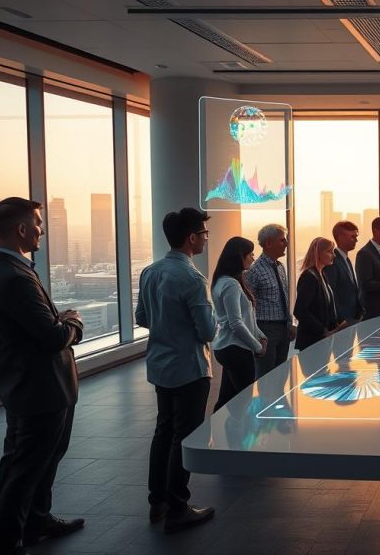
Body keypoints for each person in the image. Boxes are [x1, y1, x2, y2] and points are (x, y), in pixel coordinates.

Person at [0, 197, 85, 554]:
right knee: (25, 469)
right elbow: (52, 336)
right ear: (21, 229)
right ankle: (9, 540)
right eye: (37, 223)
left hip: (27, 386)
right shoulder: (15, 276)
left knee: (31, 462)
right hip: (41, 390)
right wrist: (73, 321)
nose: (41, 229)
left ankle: (36, 521)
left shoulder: (8, 269)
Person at [135, 207, 217, 533]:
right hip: (190, 367)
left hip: (160, 365)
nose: (206, 240)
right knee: (184, 436)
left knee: (163, 431)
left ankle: (158, 502)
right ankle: (179, 507)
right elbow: (207, 332)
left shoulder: (149, 272)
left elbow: (142, 318)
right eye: (205, 235)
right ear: (191, 238)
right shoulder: (193, 278)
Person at [210, 237, 266, 412]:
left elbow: (246, 318)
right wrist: (257, 346)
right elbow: (236, 323)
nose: (253, 258)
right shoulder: (231, 284)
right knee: (245, 400)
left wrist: (260, 335)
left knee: (228, 398)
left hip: (228, 347)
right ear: (239, 257)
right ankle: (237, 435)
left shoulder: (225, 281)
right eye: (250, 254)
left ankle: (216, 434)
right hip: (236, 349)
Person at [246, 224, 295, 379]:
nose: (286, 243)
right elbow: (248, 305)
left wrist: (290, 322)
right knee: (265, 377)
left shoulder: (280, 267)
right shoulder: (255, 271)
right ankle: (264, 403)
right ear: (268, 243)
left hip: (283, 328)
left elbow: (284, 297)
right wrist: (255, 333)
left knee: (281, 375)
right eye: (282, 240)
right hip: (265, 328)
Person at [293, 237, 339, 351]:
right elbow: (300, 310)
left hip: (323, 339)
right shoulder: (310, 276)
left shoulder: (321, 274)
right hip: (312, 340)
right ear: (318, 253)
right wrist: (322, 330)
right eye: (329, 251)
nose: (333, 255)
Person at [324, 221, 364, 330]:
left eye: (356, 236)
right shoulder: (332, 261)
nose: (356, 240)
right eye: (352, 237)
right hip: (341, 322)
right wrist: (338, 320)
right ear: (340, 237)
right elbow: (331, 293)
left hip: (351, 320)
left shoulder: (346, 259)